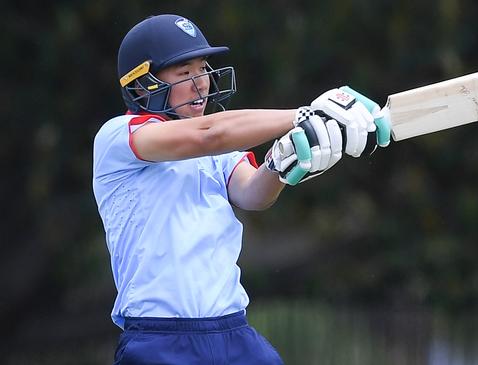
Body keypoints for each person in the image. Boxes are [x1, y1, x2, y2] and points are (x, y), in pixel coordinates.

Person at [92, 14, 390, 365]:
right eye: (184, 72)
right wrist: (307, 114)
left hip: (233, 333)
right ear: (142, 84)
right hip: (159, 339)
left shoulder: (217, 148)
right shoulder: (119, 136)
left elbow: (252, 194)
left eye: (203, 68)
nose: (200, 83)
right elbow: (209, 134)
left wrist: (280, 164)